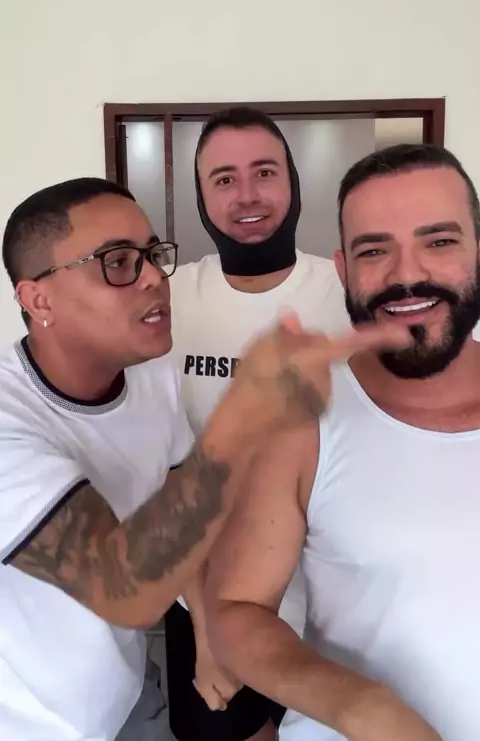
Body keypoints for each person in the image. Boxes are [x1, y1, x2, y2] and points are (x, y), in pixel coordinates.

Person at [0, 177, 403, 741]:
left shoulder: (147, 373)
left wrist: (209, 636)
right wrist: (247, 411)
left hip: (126, 696)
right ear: (38, 299)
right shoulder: (10, 420)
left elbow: (179, 513)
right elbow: (121, 587)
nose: (152, 278)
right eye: (117, 262)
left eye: (152, 255)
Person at [206, 142, 480, 741]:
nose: (406, 275)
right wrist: (364, 710)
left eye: (439, 241)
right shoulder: (302, 418)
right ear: (342, 269)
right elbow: (235, 611)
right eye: (374, 250)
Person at [167, 106, 349, 741]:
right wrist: (206, 631)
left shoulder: (346, 290)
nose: (246, 195)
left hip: (331, 597)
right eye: (223, 178)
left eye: (264, 172)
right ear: (201, 197)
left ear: (293, 182)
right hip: (205, 595)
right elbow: (166, 470)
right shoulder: (169, 301)